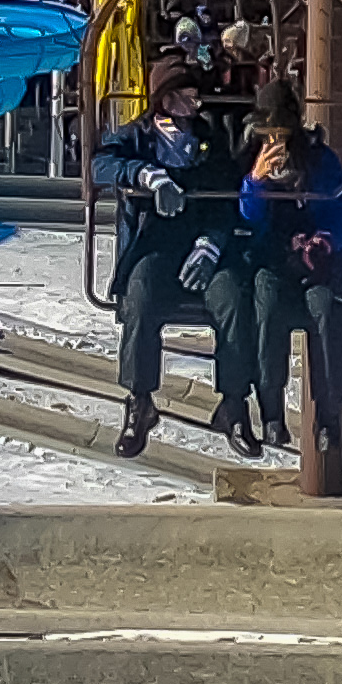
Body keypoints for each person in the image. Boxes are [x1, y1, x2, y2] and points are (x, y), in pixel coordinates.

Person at [90, 85, 249, 457]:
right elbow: (99, 165)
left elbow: (227, 195)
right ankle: (139, 400)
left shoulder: (211, 139)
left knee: (233, 300)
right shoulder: (138, 136)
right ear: (164, 98)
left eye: (197, 92)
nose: (196, 101)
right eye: (186, 93)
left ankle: (234, 402)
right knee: (140, 298)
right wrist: (146, 175)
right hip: (154, 244)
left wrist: (211, 244)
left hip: (203, 246)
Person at [234, 84, 342, 467]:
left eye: (283, 135)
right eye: (269, 135)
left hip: (314, 264)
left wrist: (323, 241)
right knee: (265, 303)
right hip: (272, 261)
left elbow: (341, 217)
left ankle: (328, 415)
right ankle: (271, 409)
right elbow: (246, 220)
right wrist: (255, 183)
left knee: (326, 311)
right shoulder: (248, 158)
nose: (276, 143)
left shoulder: (319, 161)